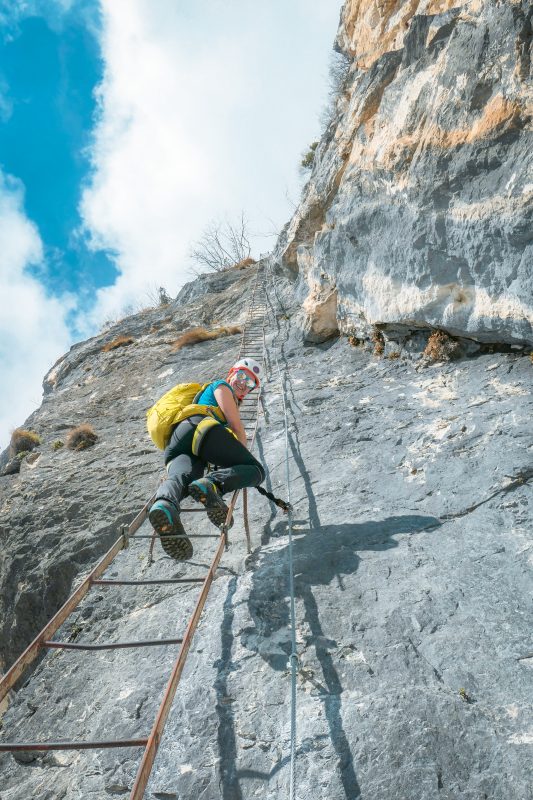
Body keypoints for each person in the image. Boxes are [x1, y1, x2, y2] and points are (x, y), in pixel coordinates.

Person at [148, 358, 266, 560]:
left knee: (181, 479)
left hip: (177, 443)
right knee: (255, 470)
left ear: (250, 390)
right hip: (199, 428)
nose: (243, 383)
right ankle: (212, 486)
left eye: (249, 383)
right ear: (231, 373)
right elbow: (237, 427)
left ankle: (164, 506)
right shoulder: (222, 386)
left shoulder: (208, 396)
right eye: (241, 375)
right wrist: (241, 460)